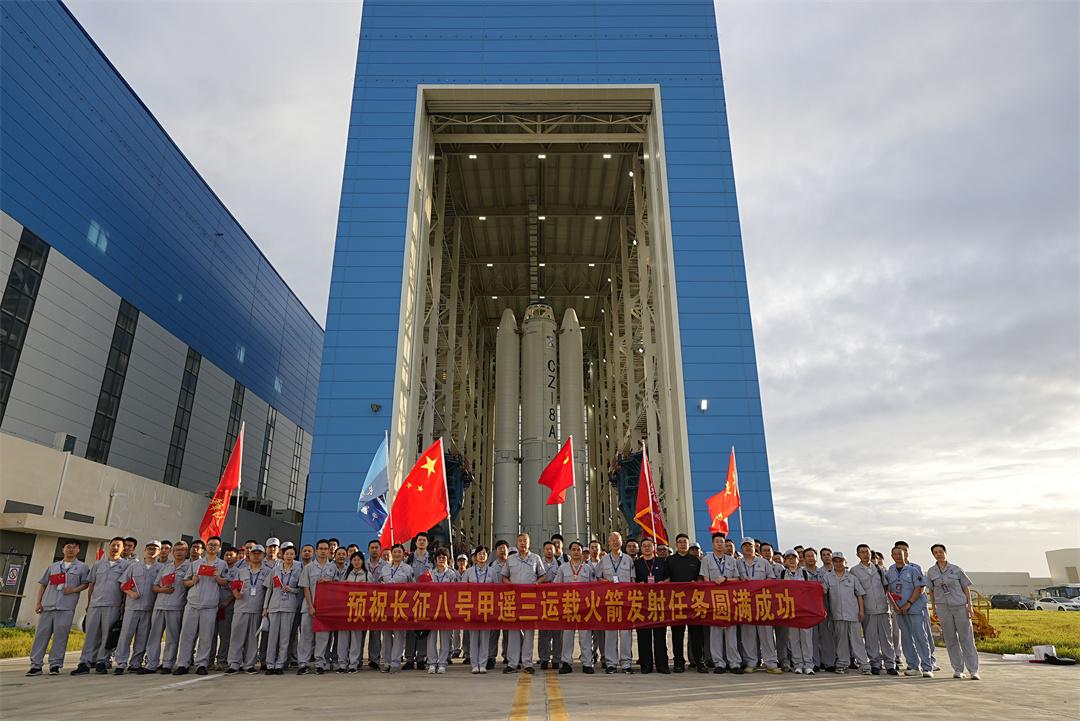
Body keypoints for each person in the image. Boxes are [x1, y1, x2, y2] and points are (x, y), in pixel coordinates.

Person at [26, 540, 90, 676]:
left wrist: (73, 590)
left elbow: (85, 584)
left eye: (74, 547)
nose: (71, 549)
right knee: (41, 636)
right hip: (48, 606)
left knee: (61, 637)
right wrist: (38, 603)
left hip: (66, 607)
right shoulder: (53, 566)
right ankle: (35, 665)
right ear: (63, 549)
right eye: (68, 547)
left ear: (78, 550)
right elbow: (43, 584)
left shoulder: (82, 567)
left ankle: (55, 664)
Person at [73, 536, 128, 675]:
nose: (115, 548)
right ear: (109, 546)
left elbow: (125, 587)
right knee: (91, 634)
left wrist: (123, 604)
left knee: (107, 634)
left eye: (118, 546)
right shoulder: (98, 564)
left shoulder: (126, 566)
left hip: (113, 605)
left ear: (122, 549)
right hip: (95, 604)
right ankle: (85, 662)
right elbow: (92, 584)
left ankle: (102, 661)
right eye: (113, 545)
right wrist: (89, 603)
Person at [175, 535, 228, 675]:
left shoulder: (222, 564)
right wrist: (193, 581)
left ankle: (202, 664)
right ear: (206, 547)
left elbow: (226, 582)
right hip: (193, 604)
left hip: (209, 605)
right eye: (210, 544)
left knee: (206, 636)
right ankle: (183, 664)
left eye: (215, 545)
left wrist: (217, 577)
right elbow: (185, 582)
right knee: (187, 634)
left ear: (219, 548)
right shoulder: (196, 563)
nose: (212, 547)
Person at [926, 544, 980, 680]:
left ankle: (973, 670)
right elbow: (931, 591)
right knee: (950, 639)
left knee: (966, 638)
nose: (939, 554)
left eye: (941, 551)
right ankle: (958, 669)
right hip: (943, 608)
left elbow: (966, 587)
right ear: (933, 555)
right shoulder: (931, 572)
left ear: (946, 552)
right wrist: (934, 608)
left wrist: (970, 606)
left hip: (960, 606)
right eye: (935, 552)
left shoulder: (956, 569)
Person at [113, 540, 161, 674]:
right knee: (125, 636)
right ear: (145, 550)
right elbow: (123, 584)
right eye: (149, 548)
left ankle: (136, 663)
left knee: (142, 637)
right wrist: (131, 593)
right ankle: (121, 663)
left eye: (155, 549)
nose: (151, 551)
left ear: (159, 552)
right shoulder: (134, 566)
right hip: (132, 607)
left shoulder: (161, 568)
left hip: (149, 608)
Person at [502, 533, 547, 674]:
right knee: (513, 631)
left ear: (529, 543)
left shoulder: (535, 558)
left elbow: (542, 575)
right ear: (516, 543)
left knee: (529, 631)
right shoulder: (510, 559)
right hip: (514, 600)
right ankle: (513, 663)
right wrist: (510, 586)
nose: (522, 543)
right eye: (520, 541)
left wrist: (536, 584)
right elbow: (504, 576)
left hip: (530, 600)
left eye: (525, 541)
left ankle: (527, 663)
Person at [886, 545, 933, 678]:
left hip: (914, 608)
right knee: (906, 638)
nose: (898, 556)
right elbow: (888, 590)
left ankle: (927, 667)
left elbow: (919, 588)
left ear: (905, 555)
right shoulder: (890, 571)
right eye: (895, 554)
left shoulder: (913, 570)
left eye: (900, 554)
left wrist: (909, 603)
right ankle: (913, 666)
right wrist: (895, 606)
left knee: (920, 637)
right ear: (892, 556)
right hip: (899, 610)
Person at [851, 543, 897, 675]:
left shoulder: (879, 569)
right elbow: (856, 592)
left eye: (867, 552)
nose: (865, 554)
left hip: (883, 608)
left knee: (887, 639)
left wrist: (893, 606)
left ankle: (890, 664)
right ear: (858, 555)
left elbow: (887, 589)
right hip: (868, 609)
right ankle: (875, 663)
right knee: (871, 639)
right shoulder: (854, 571)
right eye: (862, 552)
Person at [736, 537, 781, 674]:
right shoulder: (737, 563)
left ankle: (771, 663)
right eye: (745, 546)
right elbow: (734, 580)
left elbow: (771, 578)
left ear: (754, 547)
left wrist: (759, 585)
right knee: (748, 634)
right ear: (741, 548)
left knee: (766, 634)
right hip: (745, 602)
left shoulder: (763, 562)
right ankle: (751, 662)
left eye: (750, 545)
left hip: (763, 602)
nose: (747, 548)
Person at [144, 541, 189, 674]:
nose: (179, 552)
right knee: (154, 636)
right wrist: (162, 589)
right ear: (172, 552)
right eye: (177, 550)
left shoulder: (189, 567)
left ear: (186, 552)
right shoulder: (165, 567)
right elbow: (155, 586)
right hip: (159, 605)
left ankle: (168, 664)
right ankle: (151, 664)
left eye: (182, 550)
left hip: (176, 606)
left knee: (172, 637)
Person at [594, 531, 635, 674]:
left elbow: (632, 580)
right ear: (609, 543)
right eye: (612, 540)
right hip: (609, 601)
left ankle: (626, 663)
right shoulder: (604, 560)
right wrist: (607, 582)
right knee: (610, 634)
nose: (615, 542)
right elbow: (597, 578)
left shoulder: (628, 559)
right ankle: (611, 663)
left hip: (625, 602)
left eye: (617, 540)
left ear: (621, 542)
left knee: (626, 634)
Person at [700, 532, 741, 674]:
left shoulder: (731, 560)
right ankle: (719, 663)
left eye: (722, 541)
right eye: (717, 541)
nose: (719, 544)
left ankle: (734, 663)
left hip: (730, 601)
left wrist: (725, 579)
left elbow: (737, 579)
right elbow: (705, 579)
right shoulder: (706, 559)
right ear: (713, 544)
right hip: (714, 599)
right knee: (715, 633)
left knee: (731, 633)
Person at [824, 552, 870, 674]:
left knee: (857, 640)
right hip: (837, 615)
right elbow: (823, 591)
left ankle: (864, 665)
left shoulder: (852, 578)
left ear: (845, 562)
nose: (838, 563)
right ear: (832, 562)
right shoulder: (827, 577)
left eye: (841, 561)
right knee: (841, 641)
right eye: (835, 561)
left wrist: (861, 611)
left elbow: (859, 595)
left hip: (853, 614)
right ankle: (842, 664)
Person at [298, 538, 339, 674]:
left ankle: (320, 663)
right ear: (316, 551)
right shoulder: (308, 567)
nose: (323, 551)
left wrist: (328, 582)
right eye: (320, 549)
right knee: (306, 636)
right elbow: (306, 588)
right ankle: (303, 663)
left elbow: (337, 587)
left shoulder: (333, 567)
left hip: (325, 609)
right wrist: (310, 606)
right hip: (309, 607)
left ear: (329, 551)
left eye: (325, 549)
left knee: (322, 637)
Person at [225, 545, 268, 674]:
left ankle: (249, 664)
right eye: (254, 553)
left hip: (257, 609)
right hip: (241, 608)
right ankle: (234, 663)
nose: (256, 555)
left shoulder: (267, 572)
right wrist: (236, 593)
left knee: (252, 638)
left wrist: (265, 608)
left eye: (259, 553)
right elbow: (234, 585)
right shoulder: (241, 571)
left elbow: (268, 591)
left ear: (263, 555)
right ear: (249, 554)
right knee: (236, 636)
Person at [555, 541, 596, 675]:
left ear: (582, 552)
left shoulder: (588, 568)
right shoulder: (563, 568)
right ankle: (566, 662)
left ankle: (587, 663)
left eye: (578, 550)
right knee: (567, 635)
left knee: (585, 636)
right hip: (568, 606)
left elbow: (594, 587)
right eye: (573, 550)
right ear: (570, 552)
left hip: (584, 606)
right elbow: (556, 586)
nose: (576, 552)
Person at [667, 532, 705, 673]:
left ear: (688, 545)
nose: (683, 544)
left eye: (685, 542)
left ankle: (699, 661)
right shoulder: (670, 560)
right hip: (676, 602)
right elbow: (666, 580)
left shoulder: (695, 560)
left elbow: (701, 579)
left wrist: (697, 583)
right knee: (677, 634)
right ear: (676, 544)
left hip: (694, 602)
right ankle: (679, 662)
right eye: (680, 542)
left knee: (696, 634)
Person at [263, 543, 301, 675]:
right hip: (274, 606)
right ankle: (270, 664)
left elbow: (300, 589)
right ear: (282, 555)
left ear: (295, 556)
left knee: (285, 638)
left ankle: (280, 664)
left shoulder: (298, 570)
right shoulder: (275, 570)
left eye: (292, 554)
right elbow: (269, 589)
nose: (289, 556)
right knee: (272, 637)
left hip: (289, 607)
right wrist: (265, 607)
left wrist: (291, 589)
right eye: (287, 554)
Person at [634, 537, 670, 674]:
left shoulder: (662, 562)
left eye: (649, 545)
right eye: (644, 546)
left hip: (659, 602)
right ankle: (646, 664)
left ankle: (662, 664)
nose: (647, 548)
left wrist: (663, 583)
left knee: (660, 635)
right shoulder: (636, 563)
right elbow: (632, 581)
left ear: (654, 547)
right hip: (642, 603)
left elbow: (668, 578)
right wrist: (638, 585)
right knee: (643, 635)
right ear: (641, 548)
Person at [377, 543, 414, 673]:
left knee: (399, 634)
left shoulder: (408, 569)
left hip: (401, 605)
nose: (397, 554)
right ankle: (387, 662)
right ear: (391, 554)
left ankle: (395, 662)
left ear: (403, 555)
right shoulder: (385, 569)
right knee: (386, 634)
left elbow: (413, 587)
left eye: (399, 552)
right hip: (386, 605)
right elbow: (378, 584)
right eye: (395, 552)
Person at [778, 550, 815, 675]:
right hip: (790, 610)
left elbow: (811, 590)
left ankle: (808, 664)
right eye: (788, 558)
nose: (791, 560)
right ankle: (798, 664)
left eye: (793, 558)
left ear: (798, 560)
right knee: (793, 639)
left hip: (804, 610)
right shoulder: (782, 574)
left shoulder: (805, 573)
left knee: (806, 638)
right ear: (785, 561)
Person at [463, 545, 497, 674]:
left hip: (487, 608)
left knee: (485, 637)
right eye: (479, 554)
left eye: (484, 554)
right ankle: (474, 664)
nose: (482, 556)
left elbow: (497, 590)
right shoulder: (469, 572)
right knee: (473, 637)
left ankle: (483, 663)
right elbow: (462, 590)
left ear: (487, 556)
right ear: (475, 557)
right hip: (472, 608)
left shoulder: (492, 572)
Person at [426, 548, 459, 674]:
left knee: (445, 638)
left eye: (444, 557)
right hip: (432, 609)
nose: (441, 559)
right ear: (435, 560)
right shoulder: (430, 574)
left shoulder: (452, 574)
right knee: (431, 638)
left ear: (448, 559)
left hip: (446, 609)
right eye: (439, 557)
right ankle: (432, 662)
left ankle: (442, 663)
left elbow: (455, 592)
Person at [405, 532, 433, 670]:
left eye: (424, 540)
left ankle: (421, 658)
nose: (421, 542)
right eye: (419, 540)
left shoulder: (432, 558)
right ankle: (409, 658)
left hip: (427, 598)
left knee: (424, 627)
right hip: (411, 597)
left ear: (427, 543)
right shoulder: (409, 559)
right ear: (415, 543)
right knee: (410, 629)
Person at [337, 551, 369, 673]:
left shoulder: (367, 574)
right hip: (345, 610)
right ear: (350, 561)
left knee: (356, 638)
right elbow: (338, 589)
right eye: (354, 560)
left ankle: (353, 664)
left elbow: (372, 592)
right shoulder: (346, 574)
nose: (356, 562)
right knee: (343, 637)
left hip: (359, 610)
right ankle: (342, 664)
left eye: (358, 560)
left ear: (362, 561)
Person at [212, 546, 239, 670]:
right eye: (226, 555)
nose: (228, 557)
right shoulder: (218, 568)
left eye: (231, 555)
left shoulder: (238, 571)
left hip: (227, 606)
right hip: (213, 605)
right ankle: (209, 659)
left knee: (225, 634)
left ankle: (222, 659)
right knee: (211, 634)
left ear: (236, 557)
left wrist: (227, 601)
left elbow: (236, 588)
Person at [801, 547, 828, 671]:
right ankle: (815, 662)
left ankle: (827, 662)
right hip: (808, 608)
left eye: (812, 556)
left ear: (816, 558)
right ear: (804, 558)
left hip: (822, 605)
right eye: (808, 556)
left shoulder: (823, 573)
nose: (810, 558)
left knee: (825, 634)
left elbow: (827, 588)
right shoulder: (801, 572)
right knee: (812, 636)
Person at [537, 541, 562, 670]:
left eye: (551, 549)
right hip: (542, 601)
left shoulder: (560, 564)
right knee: (543, 631)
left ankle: (557, 658)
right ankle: (544, 658)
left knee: (557, 632)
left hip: (557, 601)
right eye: (546, 549)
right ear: (543, 550)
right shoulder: (538, 563)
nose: (549, 551)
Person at [488, 540, 511, 670]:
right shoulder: (491, 566)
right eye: (499, 548)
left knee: (509, 631)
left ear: (508, 550)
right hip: (495, 602)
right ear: (496, 551)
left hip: (509, 601)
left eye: (504, 548)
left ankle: (508, 655)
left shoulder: (512, 564)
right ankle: (491, 657)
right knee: (493, 631)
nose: (502, 550)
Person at [365, 539, 386, 669]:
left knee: (376, 631)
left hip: (379, 601)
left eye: (376, 547)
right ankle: (356, 659)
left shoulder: (386, 566)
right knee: (359, 632)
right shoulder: (362, 564)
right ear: (368, 549)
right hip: (363, 600)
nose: (374, 550)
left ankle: (374, 659)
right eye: (372, 547)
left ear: (380, 549)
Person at [452, 553, 469, 663]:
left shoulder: (470, 573)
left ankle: (466, 650)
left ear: (467, 562)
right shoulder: (453, 573)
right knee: (455, 628)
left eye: (464, 560)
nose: (462, 563)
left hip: (467, 603)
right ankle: (456, 649)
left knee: (467, 629)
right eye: (460, 560)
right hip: (455, 603)